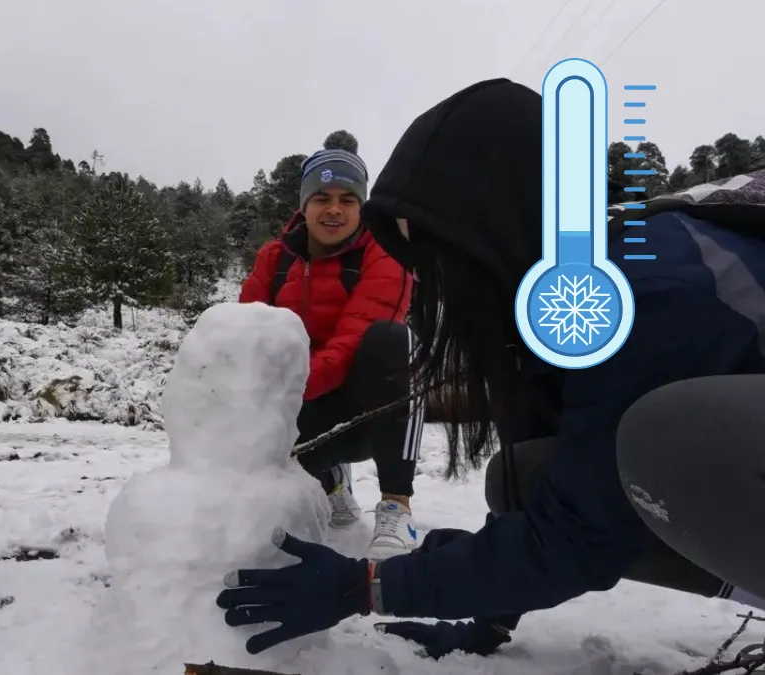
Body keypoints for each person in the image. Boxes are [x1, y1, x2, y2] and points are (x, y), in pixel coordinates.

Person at [215, 78, 765, 659]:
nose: (428, 281)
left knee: (664, 430)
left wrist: (371, 587)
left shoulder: (650, 293)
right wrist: (486, 622)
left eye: (433, 254)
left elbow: (579, 539)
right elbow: (557, 507)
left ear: (490, 221)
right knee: (521, 475)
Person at [239, 147, 422, 560]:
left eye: (348, 200)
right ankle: (333, 482)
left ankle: (396, 507)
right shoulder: (273, 258)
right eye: (322, 198)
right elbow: (245, 332)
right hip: (295, 412)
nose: (334, 210)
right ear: (304, 206)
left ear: (362, 207)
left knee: (392, 340)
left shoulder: (385, 252)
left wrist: (291, 389)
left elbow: (355, 337)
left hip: (360, 413)